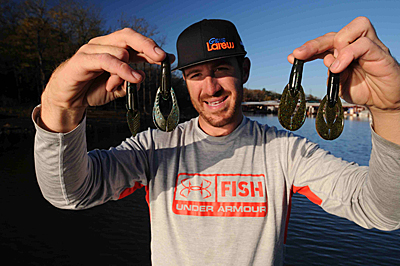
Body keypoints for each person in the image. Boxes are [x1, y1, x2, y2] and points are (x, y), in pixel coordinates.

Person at [33, 17, 400, 265]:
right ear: (184, 80)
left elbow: (382, 211)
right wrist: (59, 105)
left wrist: (392, 112)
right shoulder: (154, 148)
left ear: (244, 71)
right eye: (195, 75)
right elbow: (70, 193)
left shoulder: (286, 152)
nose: (210, 88)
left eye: (222, 69)